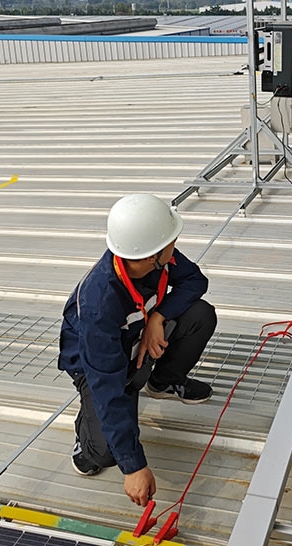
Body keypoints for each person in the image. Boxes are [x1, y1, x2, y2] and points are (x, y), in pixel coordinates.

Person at [58, 193, 217, 506]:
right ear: (149, 257)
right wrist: (135, 467)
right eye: (172, 241)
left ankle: (163, 381)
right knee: (107, 453)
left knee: (200, 314)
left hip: (136, 338)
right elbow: (106, 385)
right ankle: (86, 439)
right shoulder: (99, 303)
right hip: (98, 367)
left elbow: (196, 281)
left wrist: (159, 316)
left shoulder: (159, 258)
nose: (176, 246)